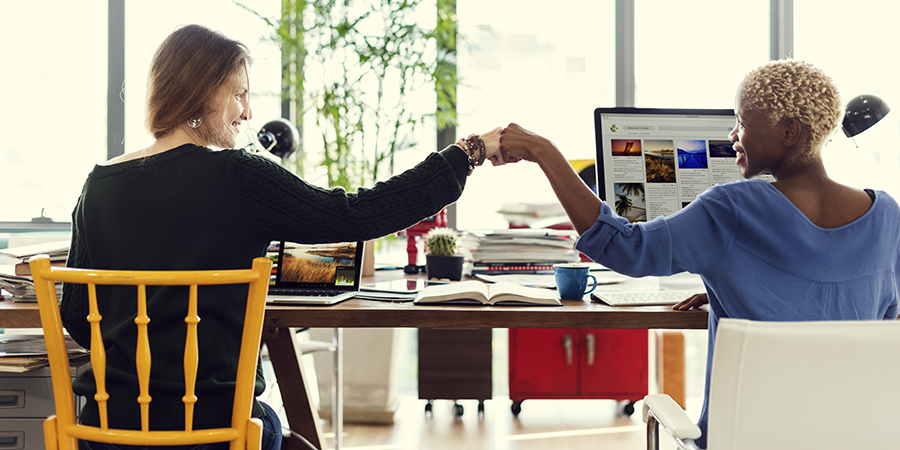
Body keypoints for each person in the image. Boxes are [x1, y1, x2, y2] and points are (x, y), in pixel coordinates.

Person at [60, 24, 504, 450]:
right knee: (276, 427)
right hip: (214, 425)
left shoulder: (98, 184)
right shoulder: (238, 175)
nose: (248, 112)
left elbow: (79, 315)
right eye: (239, 93)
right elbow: (355, 214)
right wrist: (466, 154)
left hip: (110, 428)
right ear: (201, 91)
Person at [498, 59, 900, 448]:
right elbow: (874, 319)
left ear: (789, 132)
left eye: (742, 122)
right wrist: (743, 284)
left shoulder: (732, 207)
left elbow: (625, 247)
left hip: (743, 441)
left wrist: (544, 152)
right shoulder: (886, 216)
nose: (732, 134)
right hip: (851, 439)